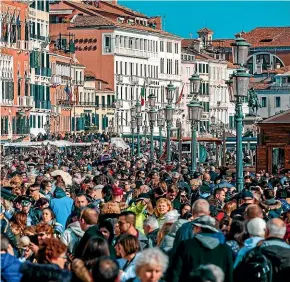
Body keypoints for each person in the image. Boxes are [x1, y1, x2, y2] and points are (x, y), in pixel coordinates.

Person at [167, 215, 233, 282]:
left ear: (199, 228)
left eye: (193, 227)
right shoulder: (225, 250)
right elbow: (229, 277)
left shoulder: (186, 245)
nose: (192, 229)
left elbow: (175, 272)